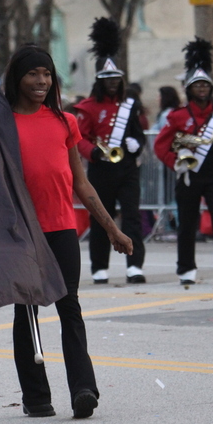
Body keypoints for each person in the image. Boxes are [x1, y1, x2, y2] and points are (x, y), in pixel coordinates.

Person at [5, 44, 132, 419]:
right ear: (18, 78)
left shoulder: (64, 122)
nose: (42, 80)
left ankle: (83, 389)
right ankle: (36, 397)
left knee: (69, 307)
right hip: (22, 232)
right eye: (33, 73)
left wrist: (112, 229)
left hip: (62, 229)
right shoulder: (1, 124)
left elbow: (82, 184)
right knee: (25, 312)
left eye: (47, 74)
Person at [155, 38, 213, 286]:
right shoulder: (178, 116)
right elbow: (161, 145)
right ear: (190, 89)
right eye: (197, 85)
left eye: (206, 84)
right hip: (188, 175)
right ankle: (186, 268)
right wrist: (176, 161)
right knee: (188, 222)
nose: (202, 88)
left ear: (211, 88)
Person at [73, 18, 146, 285]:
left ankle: (134, 265)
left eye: (116, 78)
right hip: (102, 168)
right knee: (100, 217)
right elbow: (80, 139)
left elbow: (139, 133)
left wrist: (137, 144)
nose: (113, 82)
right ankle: (99, 267)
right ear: (100, 81)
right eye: (107, 78)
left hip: (126, 168)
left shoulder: (130, 104)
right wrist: (95, 153)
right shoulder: (89, 107)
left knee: (132, 215)